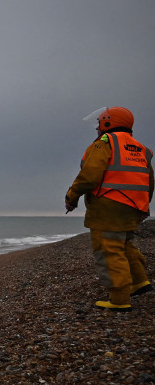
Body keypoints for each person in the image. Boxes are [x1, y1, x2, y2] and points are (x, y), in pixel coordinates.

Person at [65, 106, 152, 311]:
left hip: (108, 206)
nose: (97, 127)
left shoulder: (105, 143)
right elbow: (150, 182)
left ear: (108, 123)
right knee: (125, 245)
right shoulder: (142, 149)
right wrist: (142, 208)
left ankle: (119, 299)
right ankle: (140, 282)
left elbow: (90, 175)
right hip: (134, 206)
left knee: (109, 250)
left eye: (100, 122)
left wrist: (71, 196)